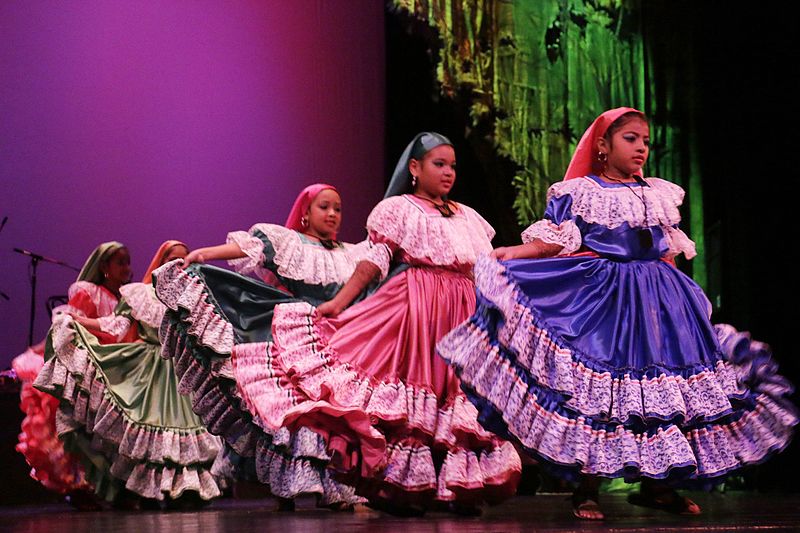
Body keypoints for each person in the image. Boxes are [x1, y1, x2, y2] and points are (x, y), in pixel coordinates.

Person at [437, 108, 798, 520]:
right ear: (603, 147)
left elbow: (666, 250)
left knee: (665, 394)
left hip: (660, 300)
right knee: (603, 394)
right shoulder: (582, 191)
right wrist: (515, 253)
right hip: (605, 298)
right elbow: (558, 240)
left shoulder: (657, 193)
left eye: (645, 139)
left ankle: (659, 485)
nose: (641, 147)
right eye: (630, 138)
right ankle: (586, 486)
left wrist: (687, 304)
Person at [231, 133, 521, 516]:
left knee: (457, 396)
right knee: (415, 396)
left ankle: (454, 487)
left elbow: (483, 268)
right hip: (417, 305)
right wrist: (339, 301)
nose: (448, 172)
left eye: (452, 165)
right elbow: (373, 262)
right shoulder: (399, 209)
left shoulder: (469, 218)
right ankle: (405, 489)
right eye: (438, 164)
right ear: (414, 169)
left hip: (462, 310)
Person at [153, 184, 370, 510]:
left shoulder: (352, 254)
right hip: (297, 333)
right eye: (324, 207)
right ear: (306, 213)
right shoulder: (289, 242)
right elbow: (249, 248)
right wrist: (203, 254)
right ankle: (289, 484)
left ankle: (335, 485)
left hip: (339, 338)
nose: (332, 215)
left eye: (338, 209)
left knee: (334, 412)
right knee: (295, 412)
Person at [34, 241, 226, 509]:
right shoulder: (141, 294)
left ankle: (186, 491)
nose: (181, 266)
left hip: (182, 371)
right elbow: (115, 325)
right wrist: (77, 321)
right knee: (149, 433)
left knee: (188, 432)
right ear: (160, 261)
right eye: (174, 259)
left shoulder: (194, 296)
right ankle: (149, 491)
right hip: (150, 368)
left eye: (186, 261)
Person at [13, 241, 131, 510]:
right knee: (81, 432)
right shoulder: (89, 293)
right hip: (90, 371)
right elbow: (67, 328)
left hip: (118, 370)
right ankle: (80, 487)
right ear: (103, 267)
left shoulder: (126, 297)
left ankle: (112, 488)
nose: (126, 268)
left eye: (127, 262)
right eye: (120, 262)